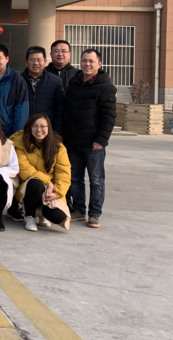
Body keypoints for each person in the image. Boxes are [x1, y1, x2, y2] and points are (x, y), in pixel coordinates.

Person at [62, 48, 116, 228]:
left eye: (91, 61)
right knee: (75, 179)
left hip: (93, 144)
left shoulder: (105, 87)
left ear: (99, 64)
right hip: (73, 141)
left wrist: (101, 140)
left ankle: (94, 213)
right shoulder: (74, 82)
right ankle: (78, 210)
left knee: (96, 180)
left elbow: (109, 116)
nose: (87, 64)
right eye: (84, 60)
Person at [12, 113, 72, 232]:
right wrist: (48, 182)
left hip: (51, 189)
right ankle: (30, 216)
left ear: (48, 128)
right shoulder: (20, 142)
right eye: (35, 126)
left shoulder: (58, 146)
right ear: (29, 127)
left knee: (58, 217)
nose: (39, 130)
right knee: (35, 183)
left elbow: (63, 172)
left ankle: (42, 213)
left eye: (43, 126)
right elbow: (24, 169)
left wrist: (57, 192)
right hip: (28, 186)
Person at [21, 46, 65, 134]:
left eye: (39, 60)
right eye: (32, 60)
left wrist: (57, 133)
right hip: (23, 129)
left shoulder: (55, 81)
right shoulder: (18, 80)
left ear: (45, 62)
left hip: (46, 131)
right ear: (26, 62)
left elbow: (60, 110)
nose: (36, 63)